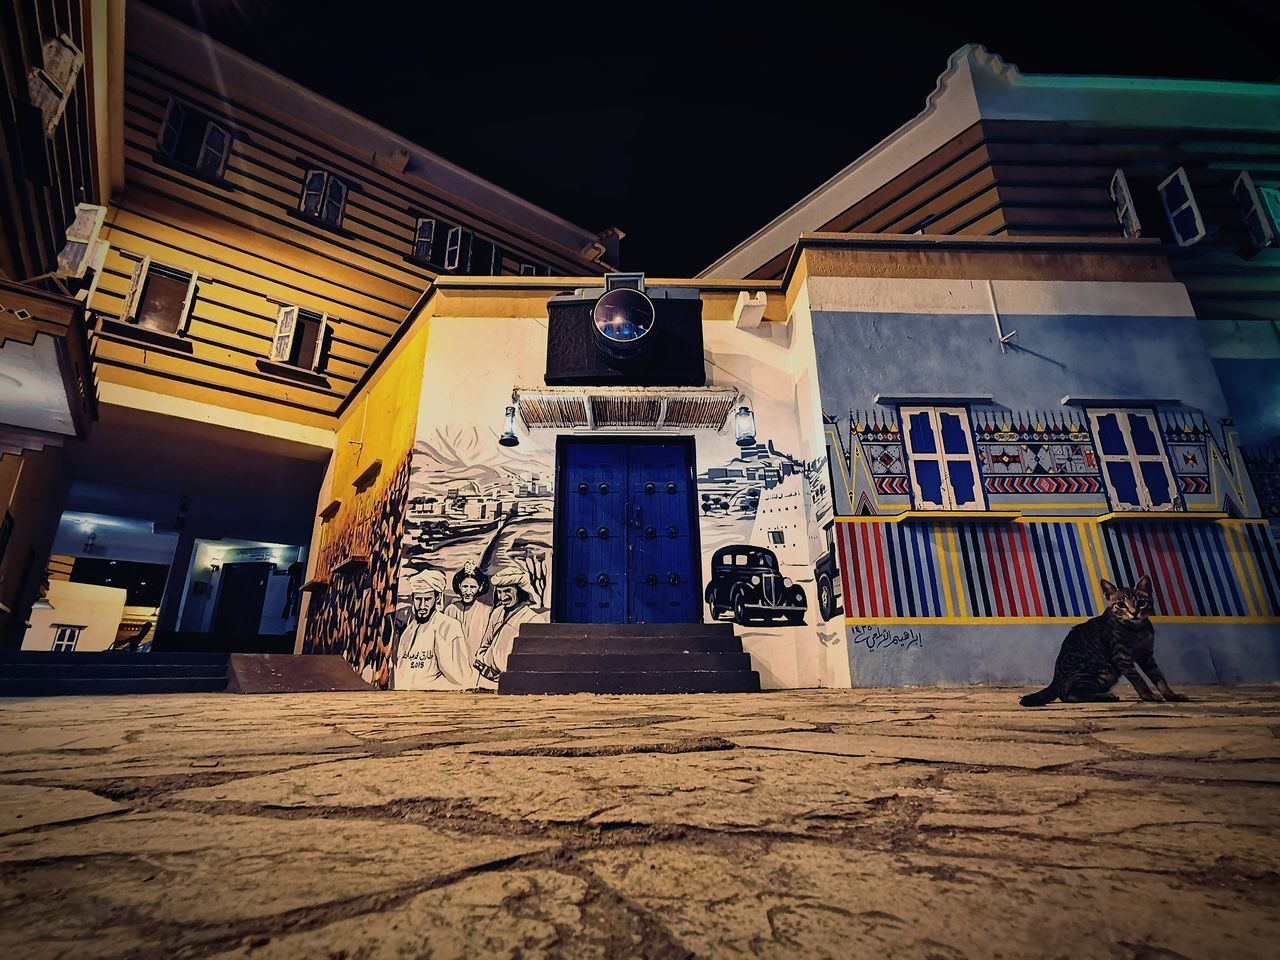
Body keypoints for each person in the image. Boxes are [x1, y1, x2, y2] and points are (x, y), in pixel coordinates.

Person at [395, 568, 475, 690]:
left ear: (437, 599)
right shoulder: (408, 632)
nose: (422, 606)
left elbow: (461, 679)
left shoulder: (449, 627)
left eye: (427, 599)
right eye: (418, 599)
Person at [474, 566, 545, 690]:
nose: (502, 597)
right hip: (485, 679)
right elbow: (485, 643)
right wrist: (483, 660)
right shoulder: (497, 613)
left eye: (507, 591)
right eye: (499, 592)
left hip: (513, 684)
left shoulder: (533, 619)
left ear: (520, 590)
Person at [445, 561, 492, 663]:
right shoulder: (451, 609)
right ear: (459, 586)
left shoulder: (487, 611)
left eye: (473, 587)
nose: (468, 592)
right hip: (453, 662)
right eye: (465, 586)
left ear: (480, 587)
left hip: (476, 662)